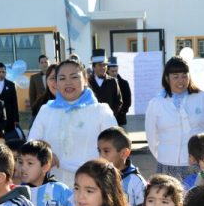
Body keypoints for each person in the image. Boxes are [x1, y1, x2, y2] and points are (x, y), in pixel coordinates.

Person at [28, 59, 117, 187]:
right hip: (51, 187)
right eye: (62, 78)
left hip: (92, 186)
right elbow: (31, 146)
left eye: (74, 77)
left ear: (85, 79)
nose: (68, 82)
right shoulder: (46, 110)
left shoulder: (100, 111)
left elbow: (113, 150)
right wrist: (44, 154)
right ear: (56, 83)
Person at [145, 56, 204, 181]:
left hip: (197, 164)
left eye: (184, 76)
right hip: (167, 164)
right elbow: (151, 137)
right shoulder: (156, 103)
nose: (181, 81)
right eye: (175, 77)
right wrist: (164, 155)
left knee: (196, 199)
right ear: (167, 78)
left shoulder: (203, 98)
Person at [97, 126, 146, 206]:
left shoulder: (136, 182)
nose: (101, 156)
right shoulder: (97, 177)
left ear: (124, 153)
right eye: (99, 151)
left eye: (106, 151)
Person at [88, 49, 123, 119]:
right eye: (100, 65)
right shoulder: (87, 82)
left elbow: (119, 101)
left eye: (105, 65)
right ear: (93, 67)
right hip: (92, 120)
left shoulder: (113, 81)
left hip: (109, 120)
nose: (103, 67)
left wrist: (111, 115)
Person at [0, 63, 20, 135]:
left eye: (3, 72)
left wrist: (16, 119)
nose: (1, 74)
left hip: (9, 117)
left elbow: (14, 102)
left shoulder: (11, 84)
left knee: (9, 138)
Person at [107, 57, 131, 126]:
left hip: (120, 119)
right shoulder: (104, 83)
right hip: (107, 119)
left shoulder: (124, 83)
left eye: (116, 71)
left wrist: (123, 112)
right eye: (112, 71)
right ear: (107, 70)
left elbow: (128, 100)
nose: (114, 73)